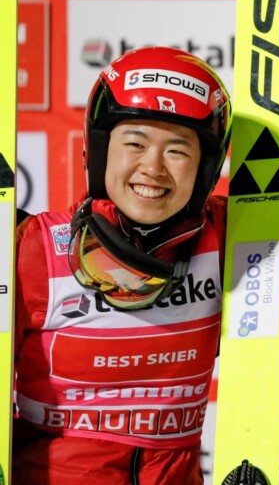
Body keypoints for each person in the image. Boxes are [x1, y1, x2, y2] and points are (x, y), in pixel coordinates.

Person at [12, 46, 231, 484]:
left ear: (204, 168)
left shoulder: (231, 238)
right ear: (100, 149)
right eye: (134, 143)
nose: (152, 168)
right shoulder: (36, 249)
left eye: (177, 150)